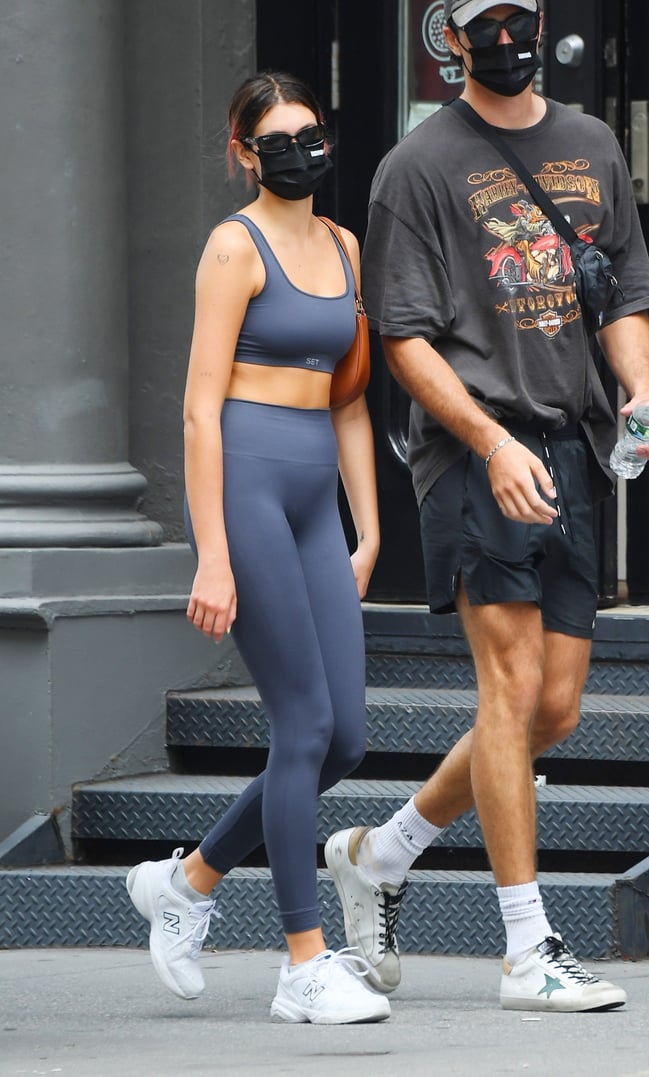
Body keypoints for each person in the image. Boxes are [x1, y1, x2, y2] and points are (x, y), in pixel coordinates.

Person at [325, 0, 649, 1012]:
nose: (506, 37)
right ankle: (527, 947)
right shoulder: (417, 167)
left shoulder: (592, 145)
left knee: (553, 709)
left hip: (570, 445)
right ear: (452, 38)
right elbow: (404, 339)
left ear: (538, 21)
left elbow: (623, 292)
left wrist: (643, 397)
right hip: (477, 451)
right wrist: (486, 442)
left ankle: (379, 852)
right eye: (485, 24)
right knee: (509, 687)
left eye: (519, 18)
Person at [125, 71, 389, 1025]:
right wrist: (211, 552)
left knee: (344, 738)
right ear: (243, 151)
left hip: (317, 493)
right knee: (303, 726)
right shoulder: (233, 248)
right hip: (245, 484)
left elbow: (352, 396)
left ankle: (187, 881)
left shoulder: (348, 246)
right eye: (278, 138)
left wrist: (368, 527)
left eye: (311, 132)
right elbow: (199, 407)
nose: (301, 150)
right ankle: (302, 962)